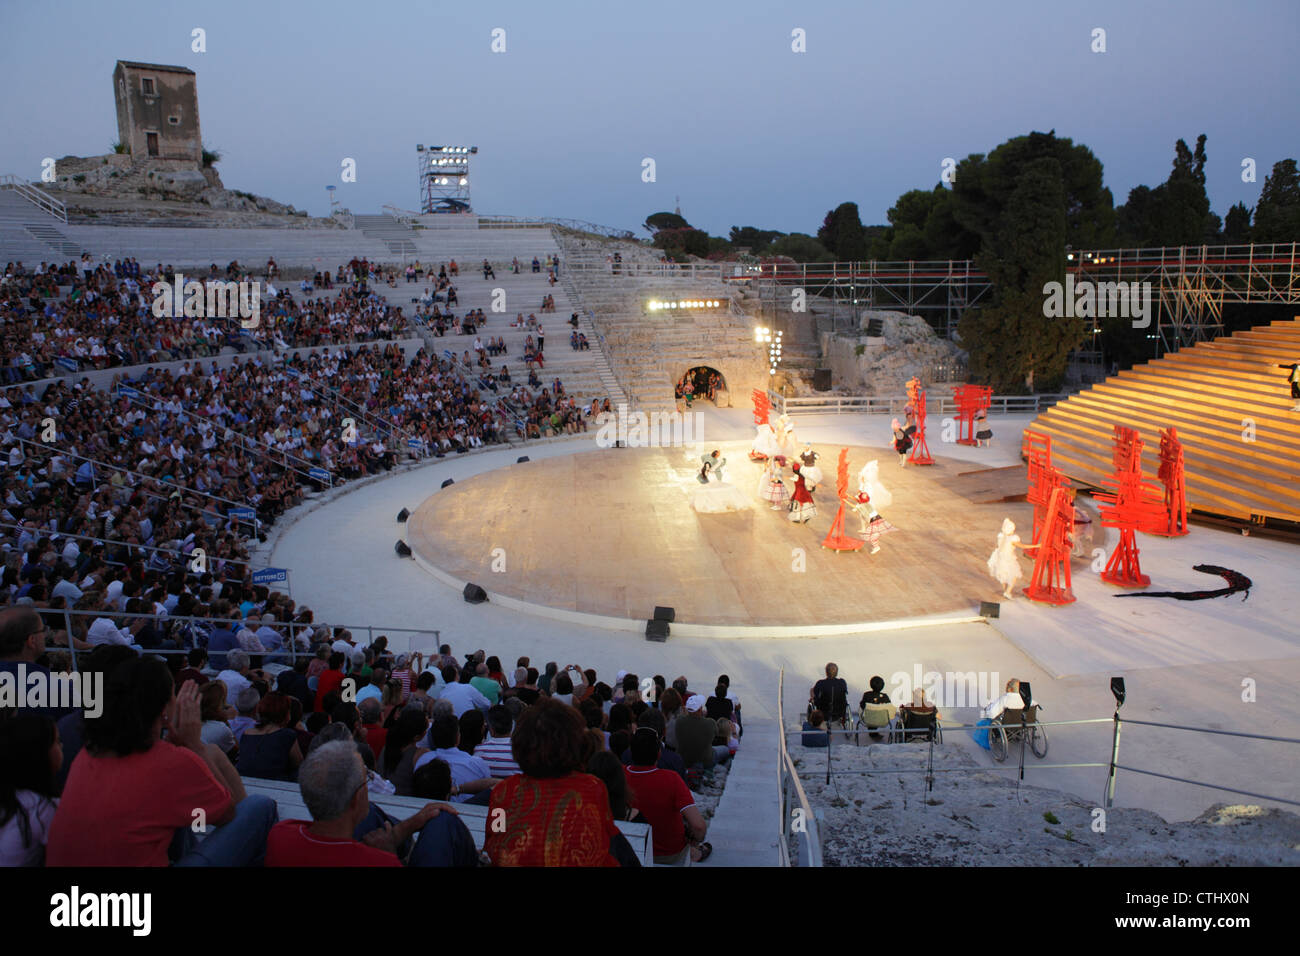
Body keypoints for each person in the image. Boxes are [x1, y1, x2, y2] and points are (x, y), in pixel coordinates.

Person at [46, 660, 277, 866]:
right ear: (165, 708)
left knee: (182, 813)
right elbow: (229, 814)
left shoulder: (89, 753)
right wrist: (195, 745)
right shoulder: (173, 761)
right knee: (260, 806)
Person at [266, 740, 475, 867]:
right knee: (442, 820)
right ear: (357, 798)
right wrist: (388, 852)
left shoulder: (280, 834)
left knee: (373, 813)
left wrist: (408, 826)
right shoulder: (380, 861)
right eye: (367, 779)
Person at [483, 699, 622, 866]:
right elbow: (604, 839)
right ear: (575, 743)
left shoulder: (502, 792)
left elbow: (495, 840)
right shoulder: (593, 787)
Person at [625, 728, 709, 864]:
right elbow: (699, 826)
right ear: (659, 753)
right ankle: (696, 852)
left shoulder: (619, 776)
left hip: (631, 850)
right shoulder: (671, 779)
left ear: (631, 752)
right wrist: (696, 840)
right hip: (668, 855)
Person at [0, 713, 61, 866]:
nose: (62, 746)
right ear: (38, 755)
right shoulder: (43, 810)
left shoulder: (11, 800)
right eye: (57, 742)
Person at [236, 691, 304, 782]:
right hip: (275, 782)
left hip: (245, 779)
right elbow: (298, 764)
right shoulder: (287, 735)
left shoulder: (247, 733)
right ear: (286, 713)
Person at [987, 517, 1026, 599]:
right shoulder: (1012, 539)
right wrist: (1036, 546)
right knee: (1014, 575)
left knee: (1003, 575)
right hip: (1008, 559)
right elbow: (1023, 546)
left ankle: (1005, 590)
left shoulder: (1001, 536)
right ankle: (1008, 592)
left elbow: (997, 546)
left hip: (999, 557)